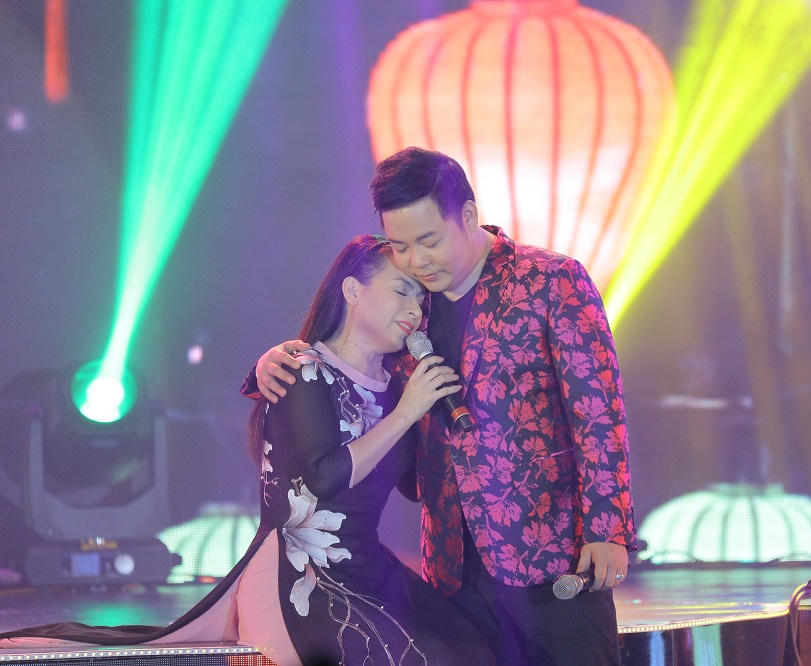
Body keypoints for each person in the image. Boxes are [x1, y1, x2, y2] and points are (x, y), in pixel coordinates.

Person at [1, 235, 495, 666]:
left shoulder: (399, 386)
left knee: (473, 647)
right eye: (402, 290)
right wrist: (406, 415)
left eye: (422, 299)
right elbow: (321, 480)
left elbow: (408, 486)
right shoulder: (302, 369)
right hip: (301, 576)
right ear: (352, 290)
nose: (415, 310)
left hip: (369, 568)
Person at [250, 147, 637, 665]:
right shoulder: (412, 303)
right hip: (453, 565)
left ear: (468, 216)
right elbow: (348, 362)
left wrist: (607, 530)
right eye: (401, 246)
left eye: (429, 241)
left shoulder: (550, 280)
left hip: (551, 551)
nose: (416, 260)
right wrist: (273, 361)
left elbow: (598, 414)